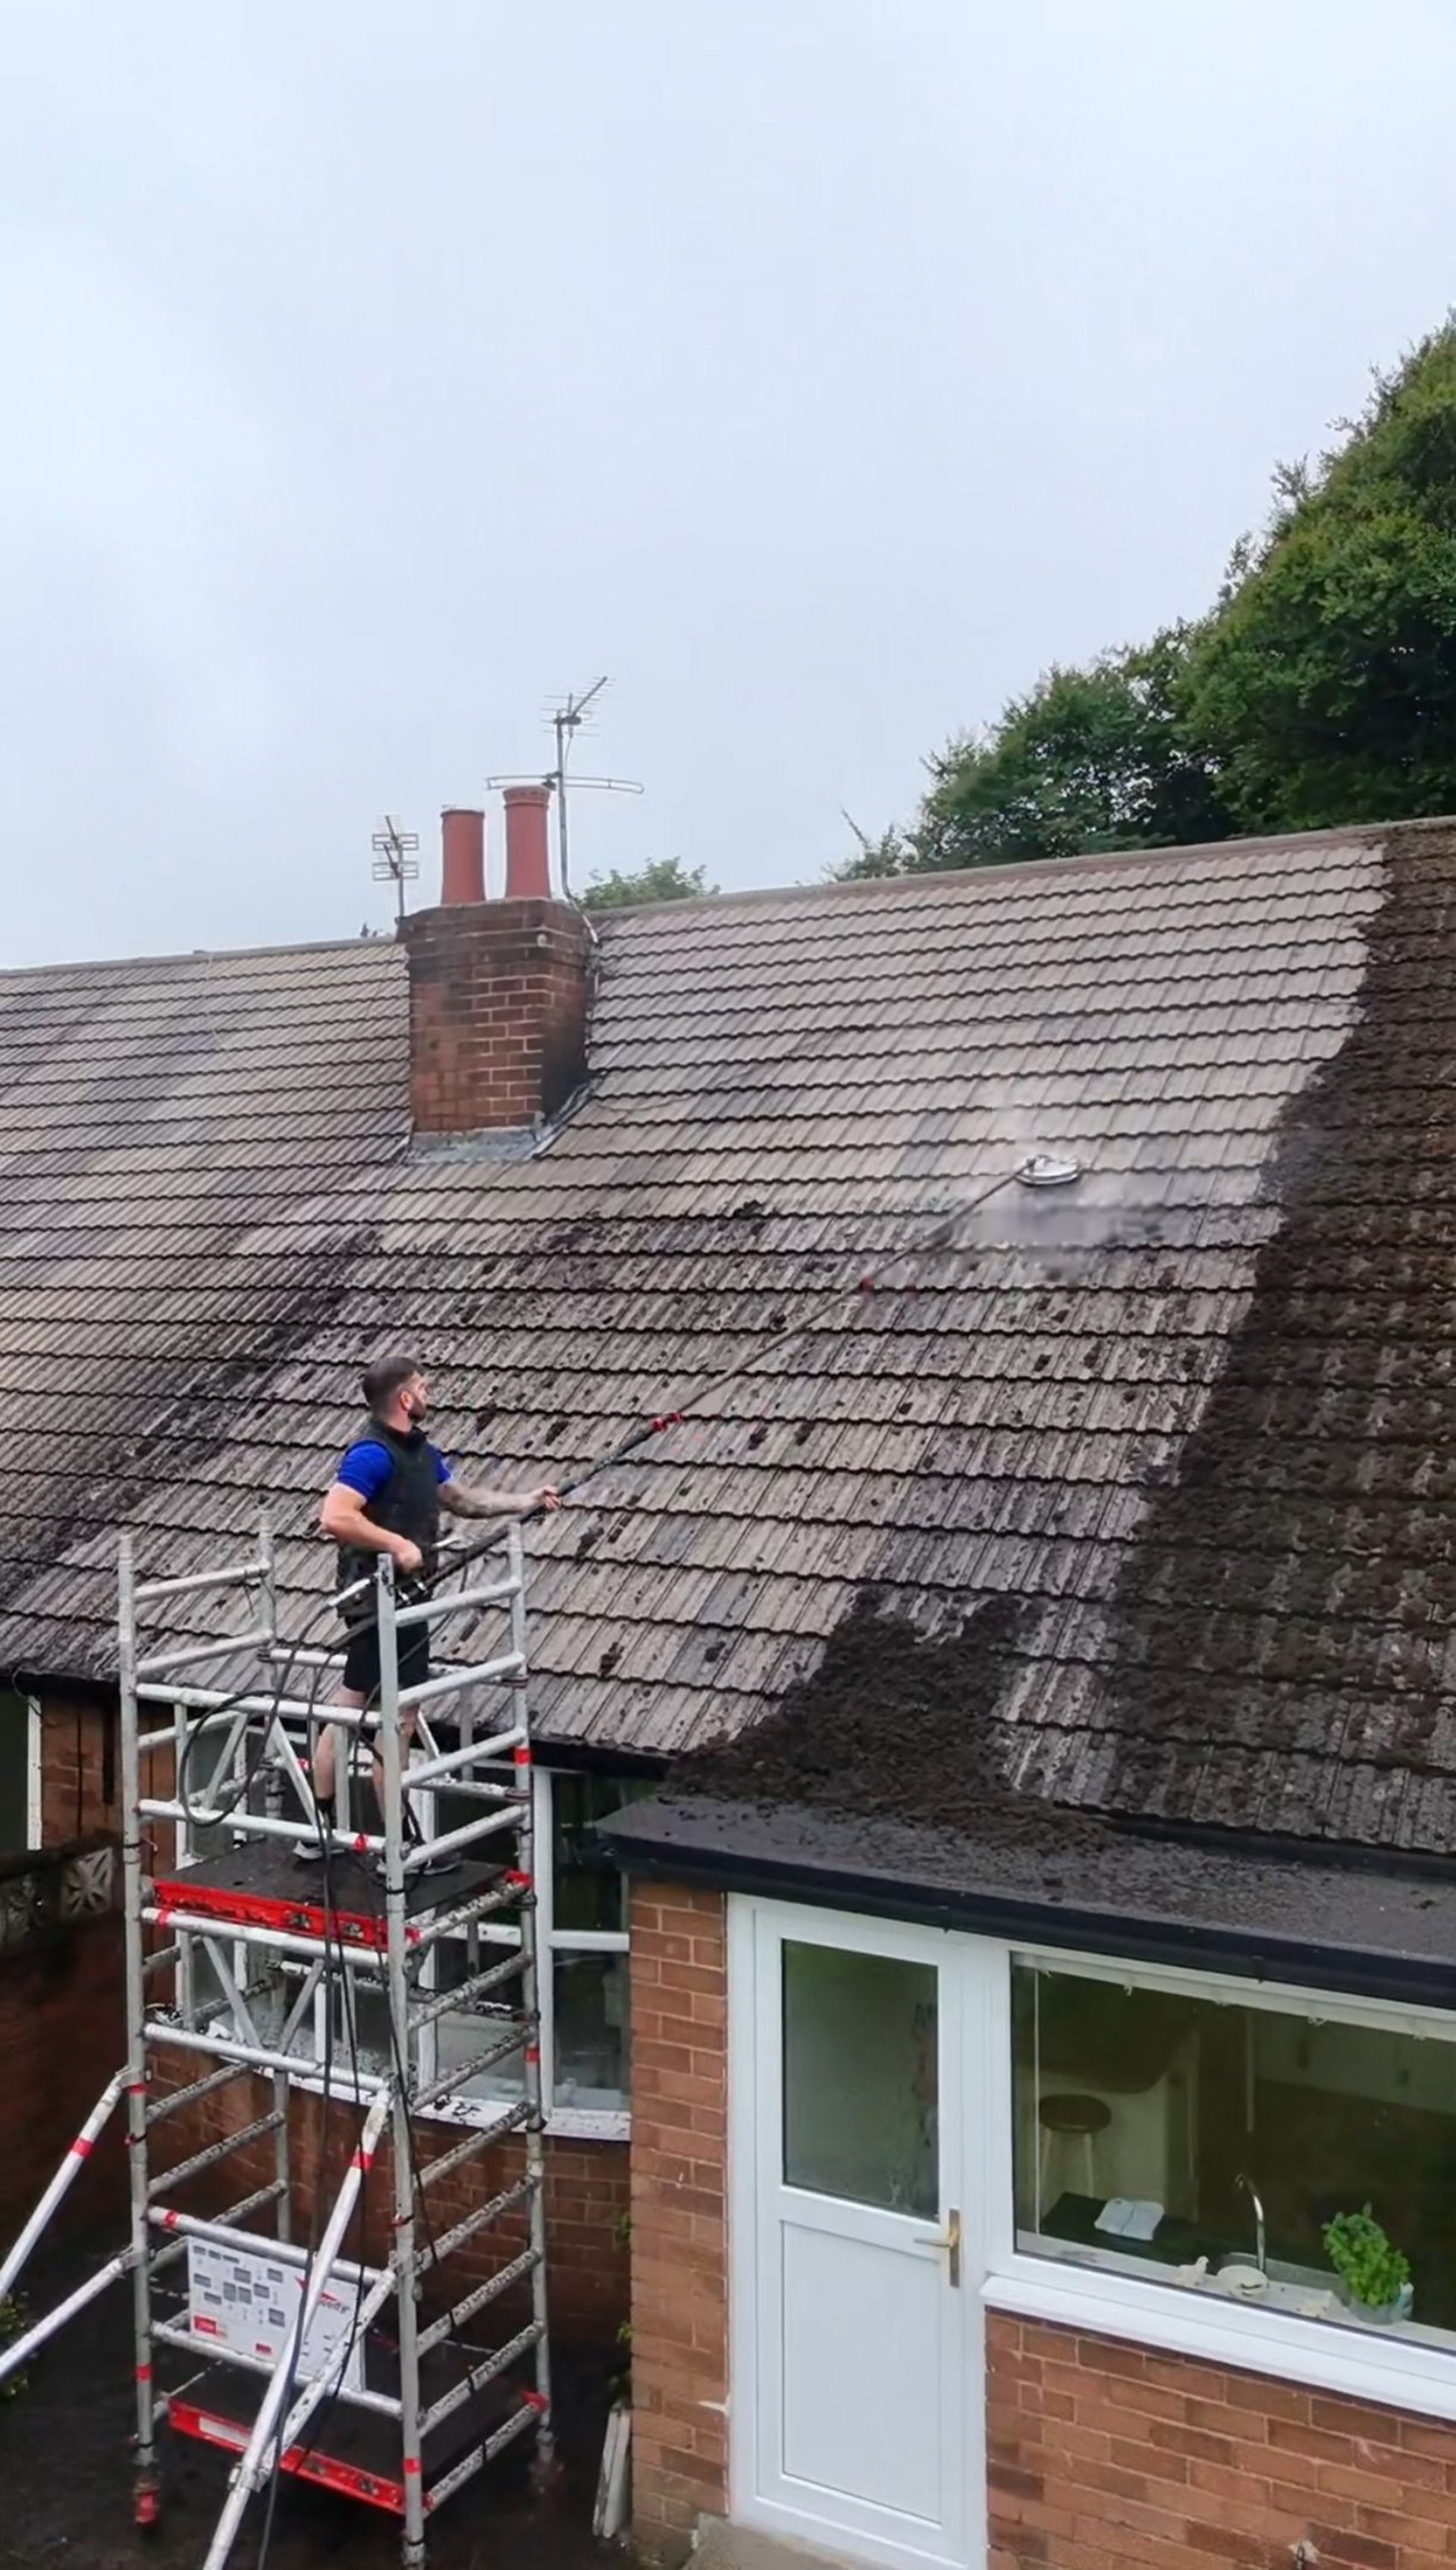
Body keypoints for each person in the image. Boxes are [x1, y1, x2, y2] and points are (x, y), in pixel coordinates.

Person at [298, 1353, 560, 1868]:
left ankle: (320, 1830)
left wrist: (525, 1501)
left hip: (405, 1602)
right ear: (404, 1398)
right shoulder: (371, 1454)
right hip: (381, 1603)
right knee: (398, 1716)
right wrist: (396, 1544)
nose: (430, 1390)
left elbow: (461, 1500)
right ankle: (399, 1847)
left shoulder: (421, 1452)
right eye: (423, 1385)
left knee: (349, 1703)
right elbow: (334, 1515)